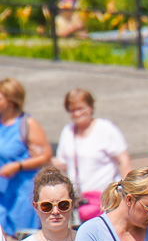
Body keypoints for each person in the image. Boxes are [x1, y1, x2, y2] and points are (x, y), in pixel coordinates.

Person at [53, 88, 131, 222]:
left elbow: (124, 161)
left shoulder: (106, 129)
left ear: (91, 107)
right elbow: (63, 164)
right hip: (80, 202)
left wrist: (130, 192)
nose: (77, 113)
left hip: (106, 200)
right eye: (72, 110)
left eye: (81, 108)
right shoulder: (67, 131)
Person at [0, 77, 52, 239]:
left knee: (21, 239)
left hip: (21, 192)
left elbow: (45, 155)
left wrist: (18, 165)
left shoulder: (26, 123)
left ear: (11, 100)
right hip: (2, 193)